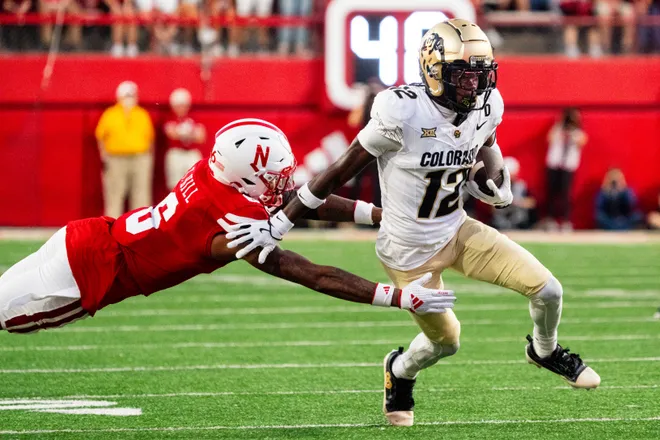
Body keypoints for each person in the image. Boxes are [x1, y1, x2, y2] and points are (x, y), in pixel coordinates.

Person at [224, 19, 601, 427]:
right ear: (434, 69)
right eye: (462, 76)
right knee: (447, 342)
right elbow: (336, 172)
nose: (472, 87)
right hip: (408, 251)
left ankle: (544, 351)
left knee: (549, 290)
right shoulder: (400, 109)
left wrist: (493, 180)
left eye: (480, 77)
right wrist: (280, 223)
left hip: (457, 230)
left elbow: (487, 144)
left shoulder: (487, 104)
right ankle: (400, 370)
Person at [0, 119, 456, 334]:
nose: (281, 184)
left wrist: (379, 215)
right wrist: (398, 297)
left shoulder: (212, 171)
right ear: (246, 174)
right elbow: (309, 272)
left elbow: (298, 199)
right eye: (273, 177)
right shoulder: (233, 224)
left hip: (84, 236)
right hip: (86, 276)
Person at [96, 81, 155, 219]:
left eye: (132, 95)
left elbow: (150, 138)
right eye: (127, 95)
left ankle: (141, 228)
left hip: (140, 158)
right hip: (116, 158)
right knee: (115, 194)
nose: (130, 98)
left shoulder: (142, 114)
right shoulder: (110, 114)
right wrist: (104, 156)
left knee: (141, 194)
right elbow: (100, 137)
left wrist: (149, 159)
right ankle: (111, 228)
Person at [545, 107, 587, 231]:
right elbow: (550, 138)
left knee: (565, 194)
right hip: (554, 164)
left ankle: (565, 221)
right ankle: (551, 220)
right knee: (552, 193)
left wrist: (573, 131)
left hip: (568, 166)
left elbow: (582, 142)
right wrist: (560, 124)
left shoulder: (578, 133)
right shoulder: (557, 129)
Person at [347, 78, 385, 209]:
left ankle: (374, 211)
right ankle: (363, 211)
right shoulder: (367, 105)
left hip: (372, 147)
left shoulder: (382, 106)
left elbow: (352, 121)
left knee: (376, 182)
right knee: (365, 180)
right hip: (369, 146)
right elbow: (353, 121)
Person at [164, 88, 206, 190]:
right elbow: (171, 134)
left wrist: (180, 133)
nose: (181, 108)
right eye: (178, 105)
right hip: (176, 153)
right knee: (174, 185)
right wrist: (190, 133)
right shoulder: (169, 118)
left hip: (191, 153)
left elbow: (201, 137)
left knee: (195, 183)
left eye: (183, 105)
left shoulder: (193, 118)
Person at [491, 157, 536, 230]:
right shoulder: (496, 186)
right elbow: (492, 208)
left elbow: (532, 202)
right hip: (500, 223)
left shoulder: (521, 186)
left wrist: (518, 202)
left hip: (520, 222)